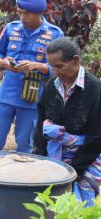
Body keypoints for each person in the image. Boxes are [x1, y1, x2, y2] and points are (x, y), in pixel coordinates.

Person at [0, 0, 63, 153]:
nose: (22, 17)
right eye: (19, 12)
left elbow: (58, 68)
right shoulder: (11, 28)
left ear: (39, 13)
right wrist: (4, 63)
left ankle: (20, 176)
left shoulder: (54, 34)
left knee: (25, 144)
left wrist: (37, 66)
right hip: (7, 93)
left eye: (26, 13)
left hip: (32, 96)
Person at [34, 37, 101, 203]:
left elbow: (96, 137)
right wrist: (40, 155)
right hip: (54, 151)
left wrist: (75, 170)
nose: (56, 71)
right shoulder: (51, 85)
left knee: (79, 200)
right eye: (52, 66)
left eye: (60, 66)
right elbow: (41, 121)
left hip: (86, 155)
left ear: (75, 60)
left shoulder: (95, 89)